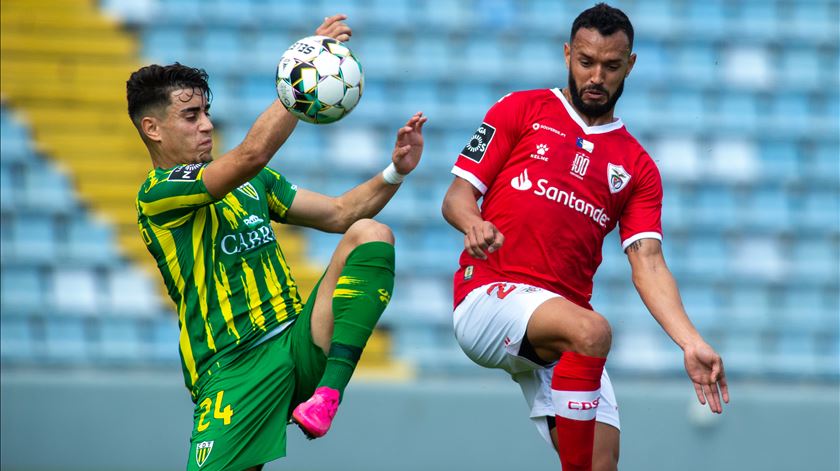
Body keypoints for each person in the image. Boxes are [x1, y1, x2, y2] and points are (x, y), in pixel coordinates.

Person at [127, 15, 427, 471]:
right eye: (191, 116)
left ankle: (328, 393)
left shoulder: (255, 185)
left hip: (297, 342)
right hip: (233, 369)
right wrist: (304, 74)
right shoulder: (158, 194)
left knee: (371, 234)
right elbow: (252, 154)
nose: (206, 125)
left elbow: (342, 213)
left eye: (206, 113)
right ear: (153, 129)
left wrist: (396, 171)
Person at [441, 4, 729, 471]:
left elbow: (649, 263)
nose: (597, 76)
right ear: (567, 54)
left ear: (630, 65)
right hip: (489, 298)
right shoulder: (521, 109)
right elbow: (456, 196)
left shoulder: (637, 167)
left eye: (612, 66)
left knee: (602, 464)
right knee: (593, 331)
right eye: (586, 61)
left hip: (561, 329)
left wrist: (690, 341)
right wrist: (473, 223)